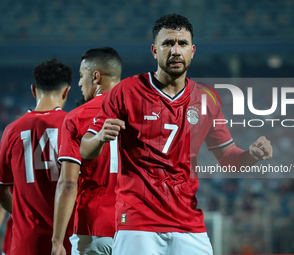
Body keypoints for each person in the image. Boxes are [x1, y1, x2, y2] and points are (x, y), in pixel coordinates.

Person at [80, 14, 273, 255]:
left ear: (192, 50)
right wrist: (99, 138)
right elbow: (85, 149)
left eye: (182, 44)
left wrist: (252, 155)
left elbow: (231, 161)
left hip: (189, 224)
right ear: (154, 50)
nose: (175, 51)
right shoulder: (126, 91)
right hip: (138, 224)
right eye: (168, 43)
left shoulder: (207, 99)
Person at [52, 47, 122, 255]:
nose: (80, 83)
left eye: (82, 76)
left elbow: (68, 183)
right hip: (138, 229)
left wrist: (57, 241)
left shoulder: (77, 117)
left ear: (96, 76)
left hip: (93, 229)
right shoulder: (143, 112)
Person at [0, 59, 72, 255]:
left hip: (25, 241)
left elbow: (2, 190)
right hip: (68, 241)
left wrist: (24, 213)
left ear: (33, 90)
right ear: (67, 91)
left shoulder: (11, 130)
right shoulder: (73, 125)